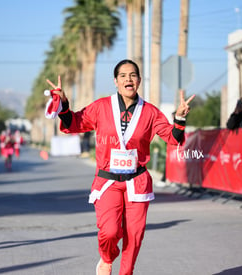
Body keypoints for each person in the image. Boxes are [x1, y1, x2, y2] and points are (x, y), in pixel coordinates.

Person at [46, 59, 194, 275]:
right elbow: (74, 123)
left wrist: (179, 118)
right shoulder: (101, 106)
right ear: (116, 81)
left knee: (134, 236)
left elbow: (172, 138)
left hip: (137, 181)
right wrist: (64, 104)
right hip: (108, 181)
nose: (128, 79)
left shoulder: (151, 112)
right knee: (110, 231)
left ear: (139, 81)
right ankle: (106, 258)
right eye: (123, 75)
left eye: (133, 75)